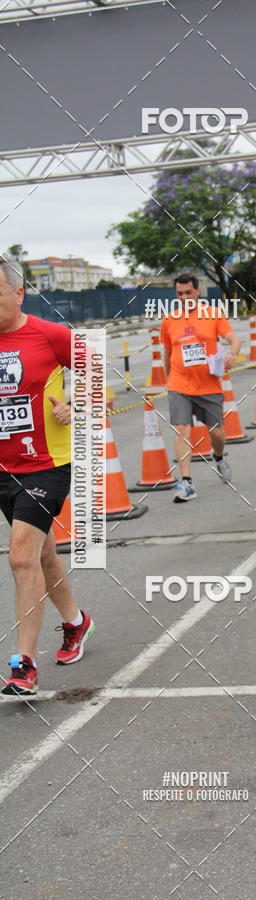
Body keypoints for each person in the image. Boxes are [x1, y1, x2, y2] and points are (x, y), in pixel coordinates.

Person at [0, 256, 94, 696]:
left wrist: (73, 402)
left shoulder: (47, 333)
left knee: (20, 556)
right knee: (42, 557)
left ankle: (23, 666)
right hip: (3, 468)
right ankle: (76, 622)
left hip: (45, 465)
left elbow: (94, 368)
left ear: (18, 293)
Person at [160, 274, 241, 500]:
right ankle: (187, 483)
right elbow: (167, 353)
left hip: (209, 385)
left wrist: (232, 355)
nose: (184, 297)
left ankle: (219, 457)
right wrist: (169, 382)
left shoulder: (213, 314)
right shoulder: (169, 320)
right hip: (179, 384)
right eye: (179, 294)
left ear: (197, 292)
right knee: (182, 429)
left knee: (216, 432)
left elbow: (234, 339)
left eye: (188, 293)